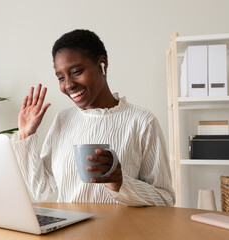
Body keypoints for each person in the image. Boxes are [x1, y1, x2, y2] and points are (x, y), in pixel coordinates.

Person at [11, 29, 175, 206]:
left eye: (76, 71)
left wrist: (121, 183)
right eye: (60, 77)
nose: (68, 85)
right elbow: (41, 190)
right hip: (68, 232)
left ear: (102, 64)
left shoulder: (142, 122)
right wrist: (26, 136)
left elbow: (165, 199)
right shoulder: (63, 119)